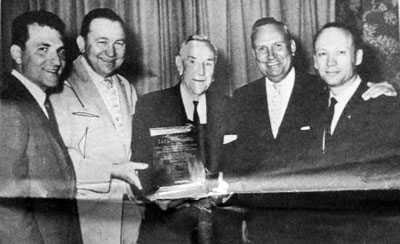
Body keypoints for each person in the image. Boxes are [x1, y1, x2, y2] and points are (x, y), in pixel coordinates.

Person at [50, 8, 147, 244]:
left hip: (130, 213)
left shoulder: (125, 86)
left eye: (119, 43)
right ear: (82, 43)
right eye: (102, 41)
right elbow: (59, 162)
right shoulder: (60, 86)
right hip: (87, 218)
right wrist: (113, 170)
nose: (111, 52)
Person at [131, 35, 231, 244]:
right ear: (179, 64)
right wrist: (157, 196)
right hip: (166, 231)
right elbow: (138, 167)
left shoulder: (231, 108)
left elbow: (242, 167)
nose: (201, 71)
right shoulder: (150, 106)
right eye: (192, 61)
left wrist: (230, 189)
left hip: (218, 232)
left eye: (208, 63)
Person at [0, 10, 83, 244]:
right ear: (17, 53)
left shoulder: (37, 101)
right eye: (42, 50)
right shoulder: (9, 106)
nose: (56, 61)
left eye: (60, 51)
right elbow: (7, 211)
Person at [312, 22, 400, 168]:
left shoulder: (383, 106)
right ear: (315, 61)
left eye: (340, 52)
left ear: (358, 57)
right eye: (322, 54)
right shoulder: (310, 104)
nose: (330, 62)